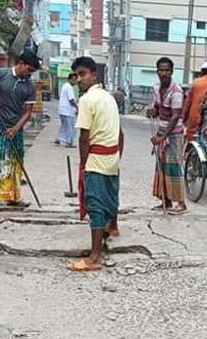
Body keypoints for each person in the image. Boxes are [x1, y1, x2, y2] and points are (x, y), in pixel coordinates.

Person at [68, 57, 124, 272]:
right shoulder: (109, 98)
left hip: (96, 158)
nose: (79, 79)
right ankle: (114, 227)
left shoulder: (86, 100)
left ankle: (94, 257)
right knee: (111, 194)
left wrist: (83, 164)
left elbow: (84, 136)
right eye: (77, 75)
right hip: (111, 156)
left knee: (95, 204)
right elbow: (120, 133)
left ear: (94, 75)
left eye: (83, 74)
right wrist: (117, 156)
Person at [0, 51, 40, 207]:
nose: (29, 74)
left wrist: (15, 128)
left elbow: (28, 112)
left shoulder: (29, 86)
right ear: (20, 63)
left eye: (32, 72)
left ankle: (13, 197)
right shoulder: (0, 74)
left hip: (16, 127)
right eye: (29, 70)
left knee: (14, 163)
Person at [147, 57, 188, 215]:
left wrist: (162, 138)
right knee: (161, 167)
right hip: (161, 132)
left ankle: (181, 203)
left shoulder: (176, 91)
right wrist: (152, 112)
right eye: (161, 70)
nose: (164, 73)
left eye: (167, 70)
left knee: (174, 167)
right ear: (157, 72)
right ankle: (166, 200)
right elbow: (158, 109)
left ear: (171, 72)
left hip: (174, 135)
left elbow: (175, 116)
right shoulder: (157, 88)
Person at [182, 61, 207, 142]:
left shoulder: (196, 83)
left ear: (202, 72)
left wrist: (183, 118)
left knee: (191, 141)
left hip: (195, 120)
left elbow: (187, 104)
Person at [55, 73, 78, 147]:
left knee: (64, 125)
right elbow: (71, 100)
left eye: (75, 80)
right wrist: (77, 107)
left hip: (62, 110)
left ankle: (59, 138)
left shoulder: (65, 86)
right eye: (73, 80)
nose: (75, 82)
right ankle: (69, 142)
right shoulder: (69, 88)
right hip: (68, 111)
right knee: (70, 127)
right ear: (70, 79)